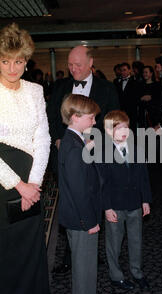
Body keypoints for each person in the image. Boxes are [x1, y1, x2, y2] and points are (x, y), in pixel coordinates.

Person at [0, 23, 51, 294]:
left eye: (18, 61)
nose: (12, 68)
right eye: (5, 61)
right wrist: (20, 186)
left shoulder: (35, 91)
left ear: (26, 60)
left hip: (32, 178)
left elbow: (43, 140)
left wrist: (34, 184)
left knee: (30, 248)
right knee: (2, 251)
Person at [48, 45, 119, 274]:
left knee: (97, 200)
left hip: (98, 155)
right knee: (71, 201)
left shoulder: (107, 89)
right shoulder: (60, 87)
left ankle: (95, 250)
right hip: (68, 155)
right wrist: (59, 138)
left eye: (78, 64)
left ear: (91, 63)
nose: (73, 69)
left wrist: (97, 143)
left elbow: (113, 121)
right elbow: (51, 117)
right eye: (69, 64)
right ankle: (70, 255)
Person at [100, 110, 152, 291]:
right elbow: (102, 184)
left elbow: (143, 177)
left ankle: (137, 272)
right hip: (114, 204)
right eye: (118, 128)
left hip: (135, 203)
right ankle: (116, 276)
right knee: (114, 242)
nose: (124, 131)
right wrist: (106, 207)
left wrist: (145, 200)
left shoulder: (136, 148)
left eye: (126, 127)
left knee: (136, 239)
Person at [57, 93, 102, 294]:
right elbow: (79, 190)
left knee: (83, 268)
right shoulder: (74, 147)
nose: (94, 121)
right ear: (75, 117)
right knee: (85, 273)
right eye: (91, 117)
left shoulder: (73, 140)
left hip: (77, 217)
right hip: (81, 219)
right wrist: (89, 221)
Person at [114, 62, 141, 132]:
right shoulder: (116, 81)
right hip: (120, 110)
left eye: (124, 70)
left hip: (131, 110)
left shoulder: (135, 82)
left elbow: (136, 97)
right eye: (121, 70)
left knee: (132, 129)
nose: (122, 72)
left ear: (129, 70)